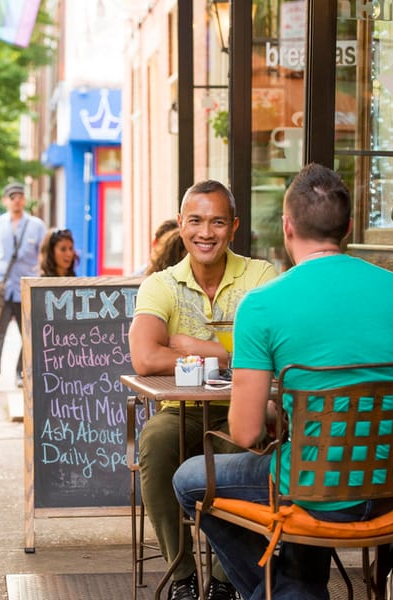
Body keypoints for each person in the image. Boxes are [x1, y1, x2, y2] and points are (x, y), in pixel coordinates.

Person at [172, 164, 393, 600]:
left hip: (316, 485)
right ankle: (295, 586)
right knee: (305, 470)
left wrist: (281, 413)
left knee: (191, 477)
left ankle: (287, 592)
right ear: (346, 228)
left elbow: (246, 433)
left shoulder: (263, 304)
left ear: (287, 228)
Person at [129, 180, 277, 600]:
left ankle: (227, 581)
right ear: (181, 224)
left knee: (239, 451)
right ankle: (182, 576)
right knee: (155, 442)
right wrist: (232, 352)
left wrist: (196, 348)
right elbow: (144, 357)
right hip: (183, 409)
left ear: (233, 227)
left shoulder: (260, 275)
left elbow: (273, 344)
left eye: (216, 222)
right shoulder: (162, 284)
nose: (205, 233)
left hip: (244, 407)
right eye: (195, 221)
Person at [0, 182, 46, 391]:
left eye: (20, 196)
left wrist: (41, 276)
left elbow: (42, 254)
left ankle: (22, 373)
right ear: (5, 200)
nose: (17, 200)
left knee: (28, 333)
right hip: (3, 286)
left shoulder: (36, 225)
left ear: (24, 200)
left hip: (27, 287)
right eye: (13, 196)